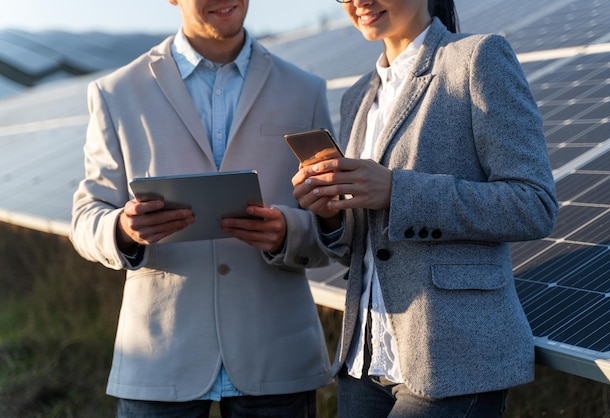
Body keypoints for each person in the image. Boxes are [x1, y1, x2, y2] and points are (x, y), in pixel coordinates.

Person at [291, 0, 559, 416]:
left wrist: (398, 191)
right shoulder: (358, 97)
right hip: (365, 357)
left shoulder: (477, 58)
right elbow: (359, 249)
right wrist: (328, 215)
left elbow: (533, 204)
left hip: (451, 358)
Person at [69, 0, 335, 416]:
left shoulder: (304, 90)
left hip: (276, 354)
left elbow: (332, 222)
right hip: (159, 357)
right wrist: (123, 229)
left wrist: (288, 232)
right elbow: (87, 215)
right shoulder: (116, 92)